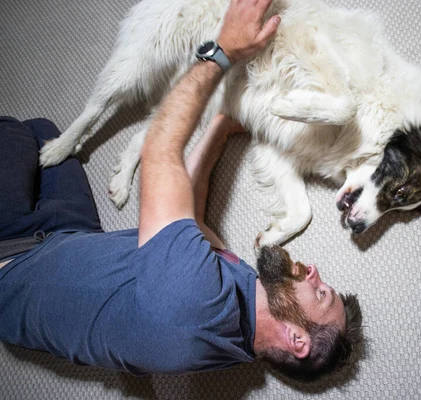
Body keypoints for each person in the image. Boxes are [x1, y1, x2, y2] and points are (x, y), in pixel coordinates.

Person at [0, 0, 363, 381]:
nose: (315, 274)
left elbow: (160, 151)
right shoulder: (243, 325)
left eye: (321, 294)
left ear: (296, 339)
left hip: (13, 259)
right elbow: (193, 223)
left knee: (11, 134)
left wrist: (224, 50)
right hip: (71, 239)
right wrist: (220, 128)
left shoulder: (195, 305)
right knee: (43, 131)